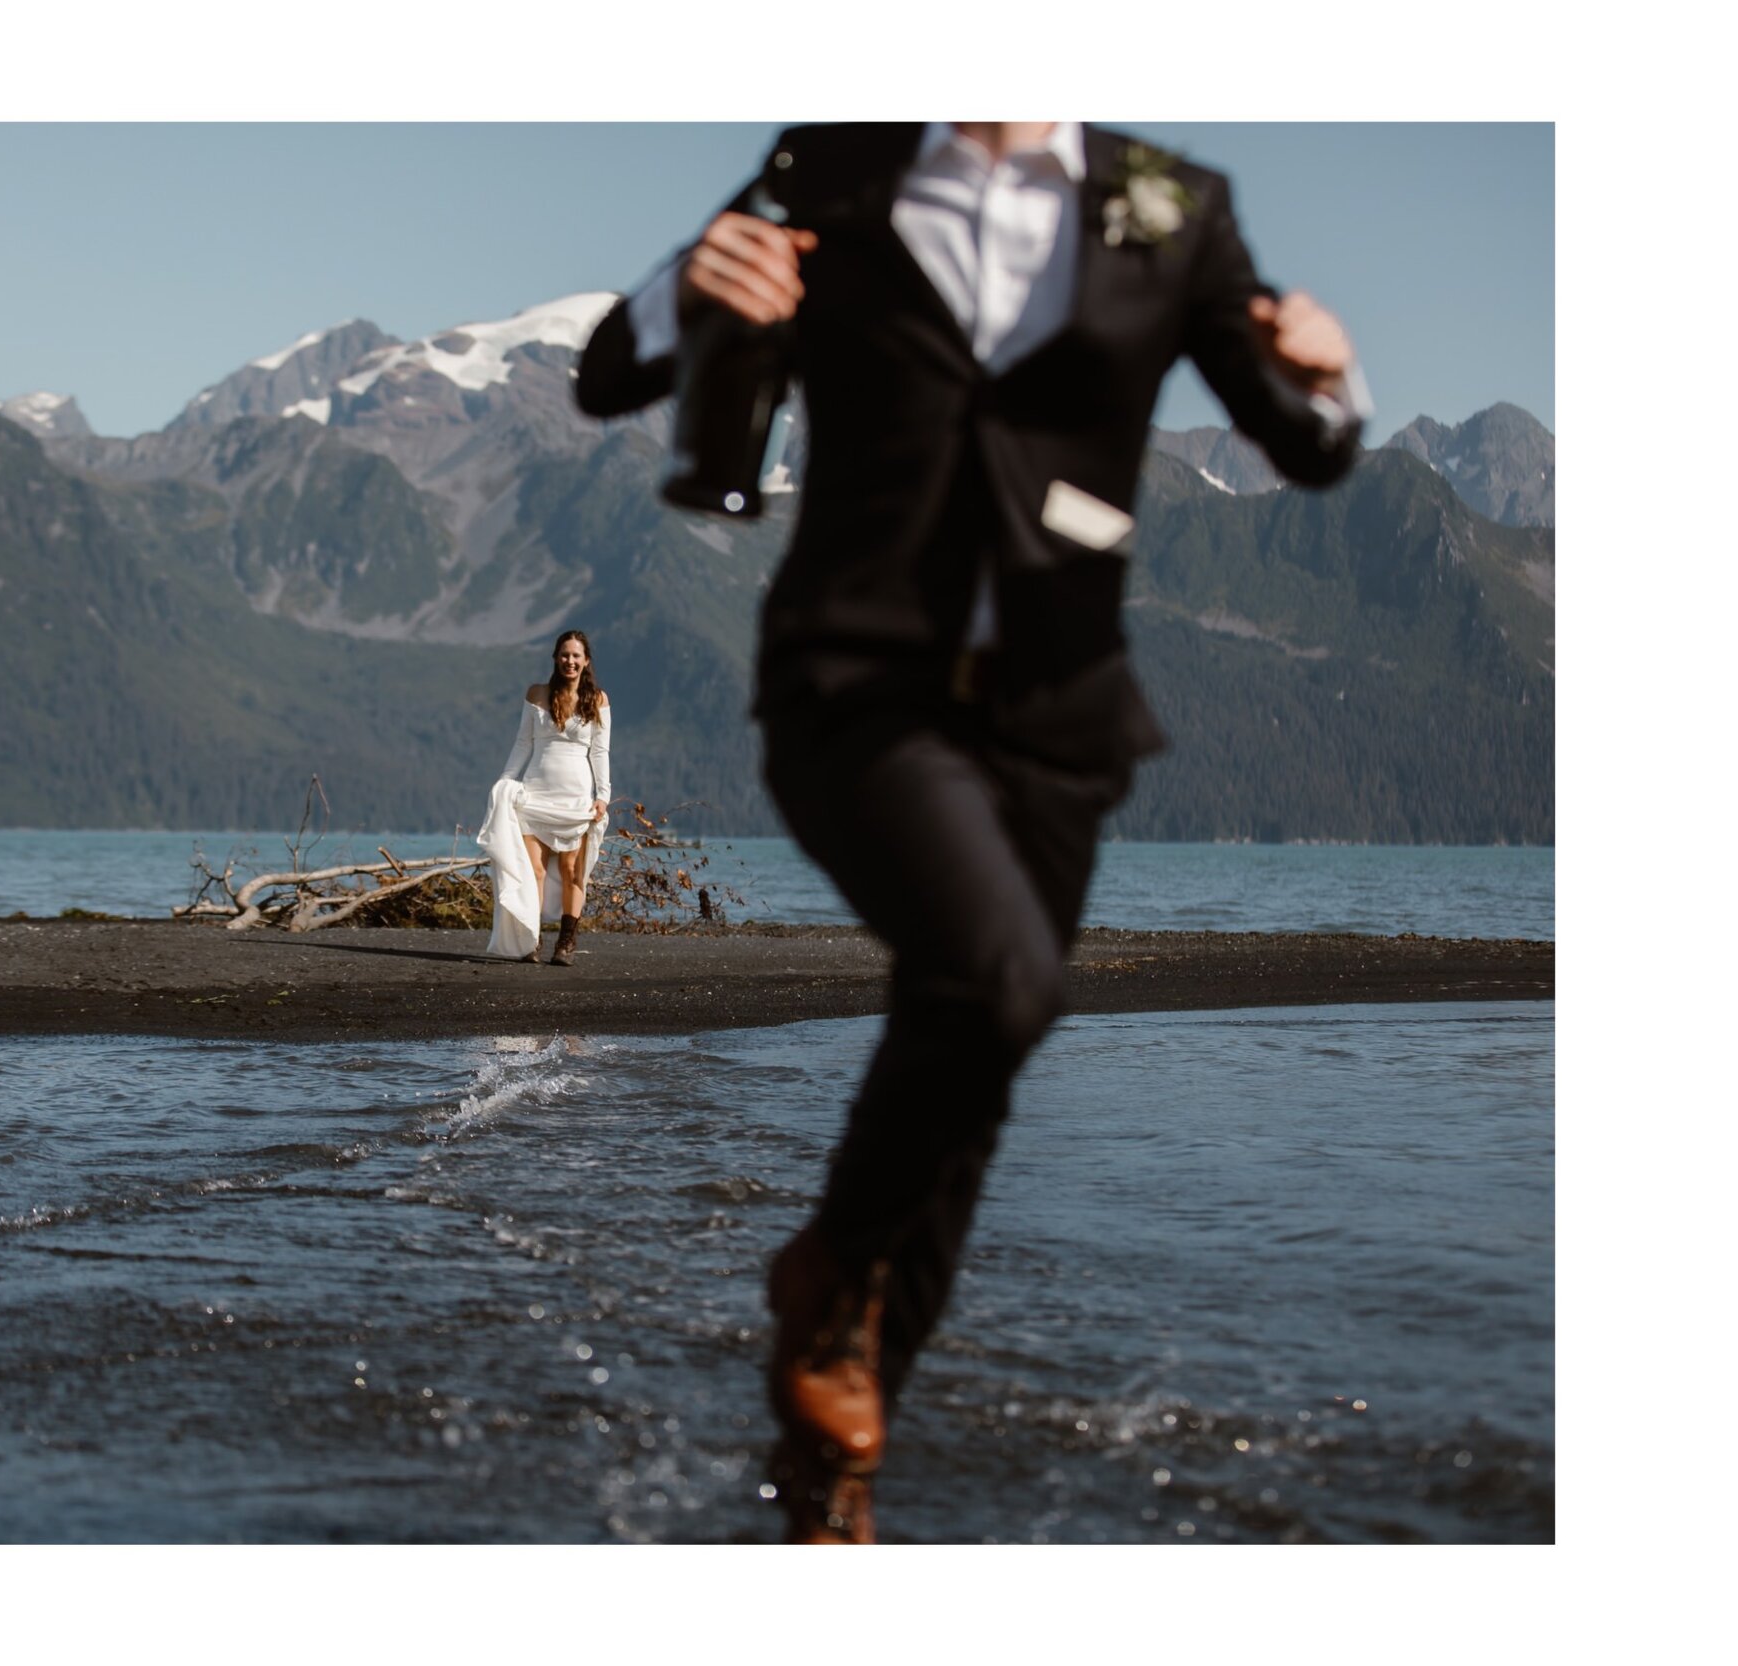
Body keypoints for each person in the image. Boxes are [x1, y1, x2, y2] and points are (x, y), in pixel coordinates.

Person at [574, 123, 1367, 1542]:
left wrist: (1329, 370)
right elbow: (607, 373)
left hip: (1063, 719)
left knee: (976, 1083)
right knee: (1002, 980)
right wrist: (688, 282)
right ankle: (824, 1281)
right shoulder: (836, 163)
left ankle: (835, 1478)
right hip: (855, 688)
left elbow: (1304, 447)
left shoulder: (1173, 206)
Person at [477, 630, 613, 965]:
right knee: (532, 871)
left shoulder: (598, 700)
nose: (570, 661)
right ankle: (531, 940)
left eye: (576, 655)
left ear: (586, 661)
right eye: (564, 654)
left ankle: (566, 943)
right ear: (556, 657)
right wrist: (505, 782)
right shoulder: (537, 694)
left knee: (571, 871)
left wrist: (603, 796)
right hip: (535, 794)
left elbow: (600, 752)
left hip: (577, 799)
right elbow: (523, 743)